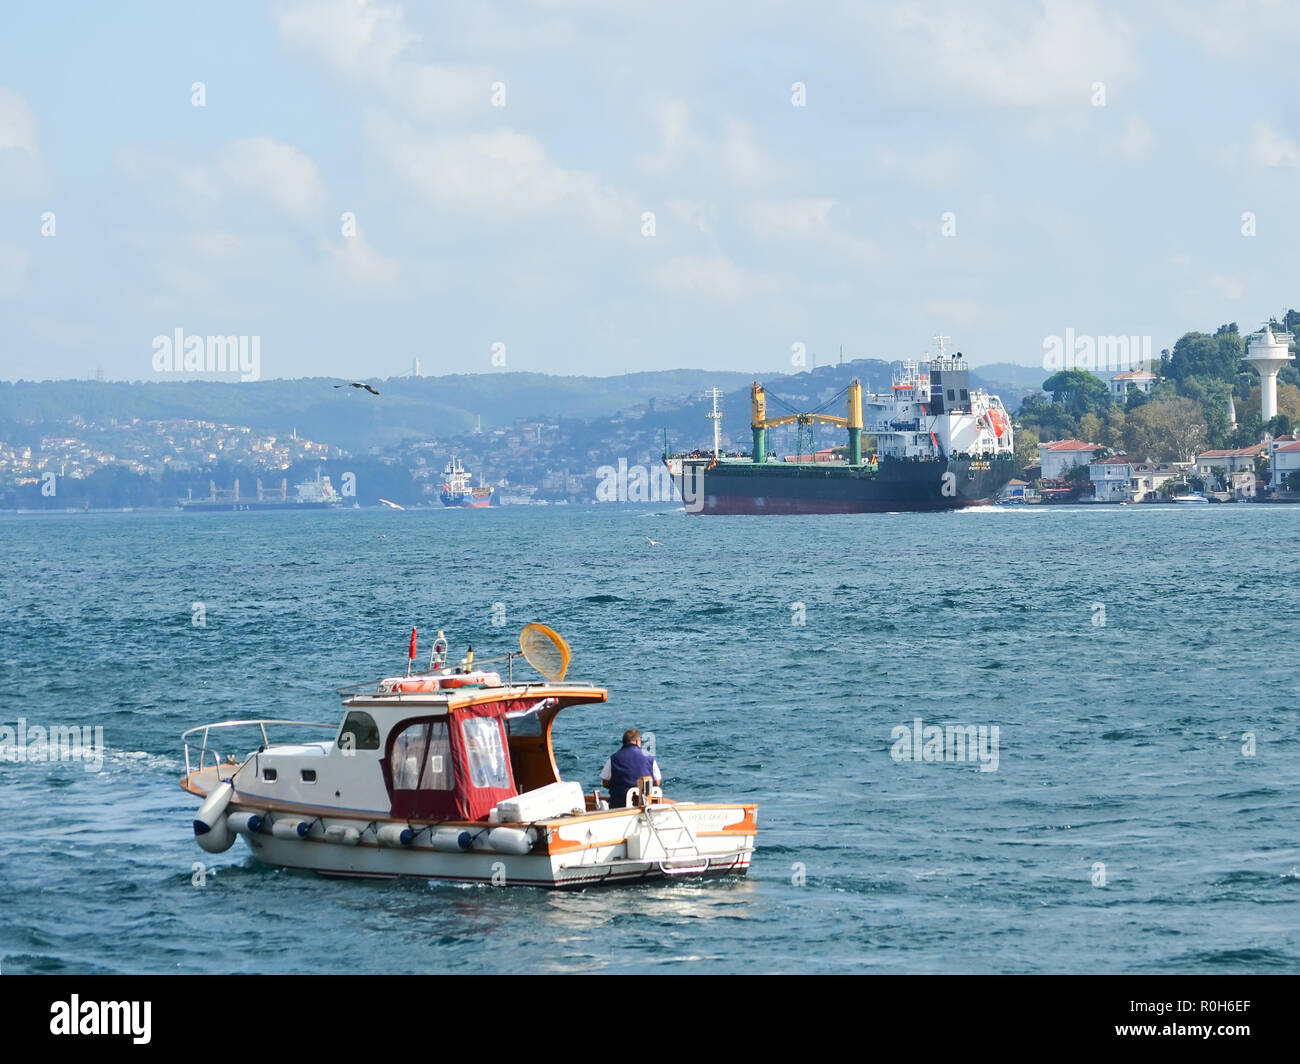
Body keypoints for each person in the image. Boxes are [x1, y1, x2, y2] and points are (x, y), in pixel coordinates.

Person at [600, 729, 661, 808]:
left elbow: (605, 783)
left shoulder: (613, 758)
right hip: (647, 804)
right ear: (637, 742)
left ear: (624, 742)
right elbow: (657, 782)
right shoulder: (649, 757)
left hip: (619, 804)